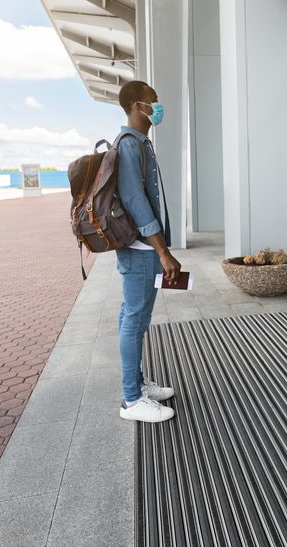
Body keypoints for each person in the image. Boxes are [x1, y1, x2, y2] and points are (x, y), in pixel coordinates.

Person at [115, 80, 182, 423]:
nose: (159, 107)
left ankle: (137, 385)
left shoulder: (142, 144)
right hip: (141, 249)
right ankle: (131, 400)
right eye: (154, 102)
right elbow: (136, 201)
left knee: (133, 317)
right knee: (135, 320)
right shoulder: (129, 145)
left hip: (142, 248)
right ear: (137, 106)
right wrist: (163, 252)